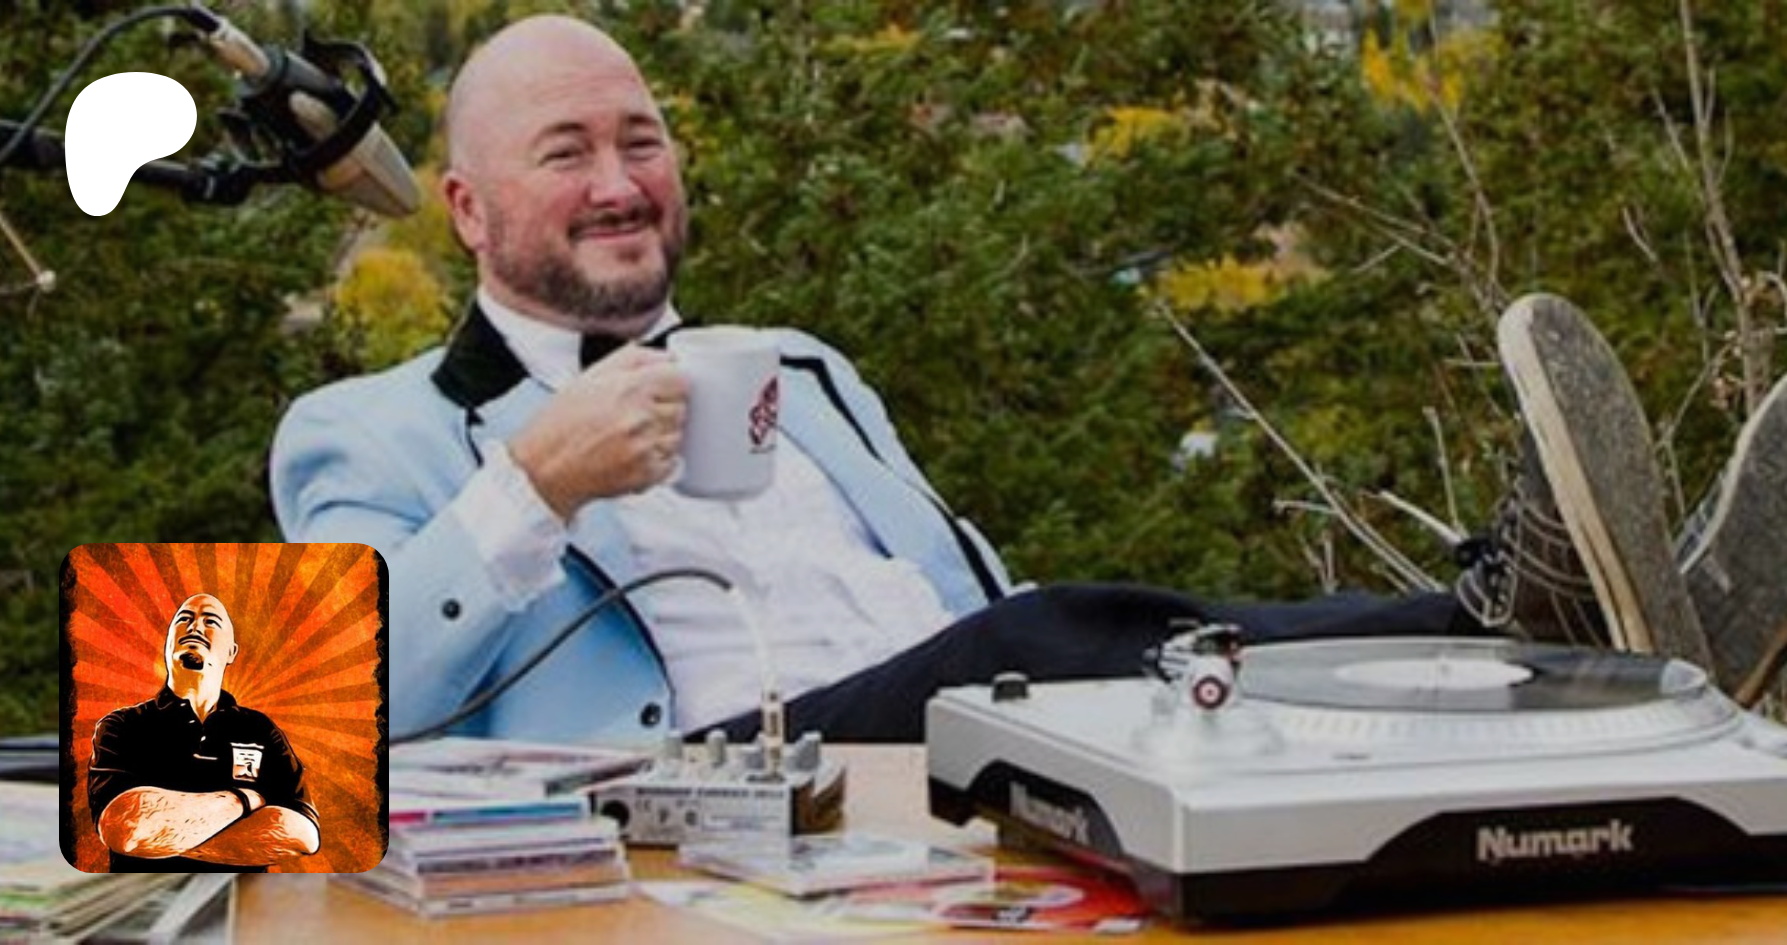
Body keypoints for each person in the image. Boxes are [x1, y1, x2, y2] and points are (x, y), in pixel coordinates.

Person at [271, 15, 1786, 747]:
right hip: (706, 788)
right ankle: (1519, 609)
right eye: (567, 153)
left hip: (983, 756)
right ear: (466, 210)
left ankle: (1626, 654)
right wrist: (534, 485)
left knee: (1217, 675)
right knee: (1041, 636)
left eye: (642, 141)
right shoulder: (367, 433)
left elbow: (960, 594)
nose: (620, 182)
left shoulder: (803, 369)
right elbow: (303, 729)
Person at [88, 593, 321, 871]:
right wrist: (243, 800)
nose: (195, 626)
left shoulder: (260, 730)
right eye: (184, 619)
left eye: (210, 621)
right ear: (168, 642)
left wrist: (163, 841)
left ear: (232, 652)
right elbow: (125, 829)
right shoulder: (122, 725)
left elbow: (303, 834)